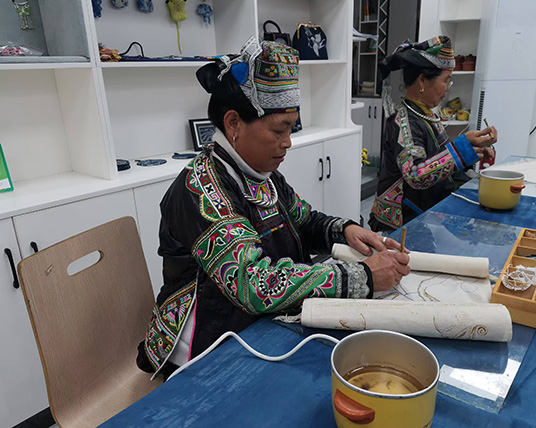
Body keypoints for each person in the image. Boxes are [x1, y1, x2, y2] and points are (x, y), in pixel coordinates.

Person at [136, 38, 410, 379]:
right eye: (279, 130)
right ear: (233, 123)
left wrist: (347, 230)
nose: (288, 142)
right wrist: (362, 276)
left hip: (257, 325)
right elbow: (252, 284)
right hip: (204, 349)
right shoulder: (200, 190)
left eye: (291, 128)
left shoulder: (263, 175)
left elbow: (304, 221)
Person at [368, 36, 498, 233]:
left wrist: (473, 150)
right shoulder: (404, 122)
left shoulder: (427, 115)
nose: (447, 87)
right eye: (446, 80)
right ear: (422, 81)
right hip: (401, 223)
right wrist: (461, 148)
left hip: (422, 213)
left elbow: (439, 155)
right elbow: (415, 175)